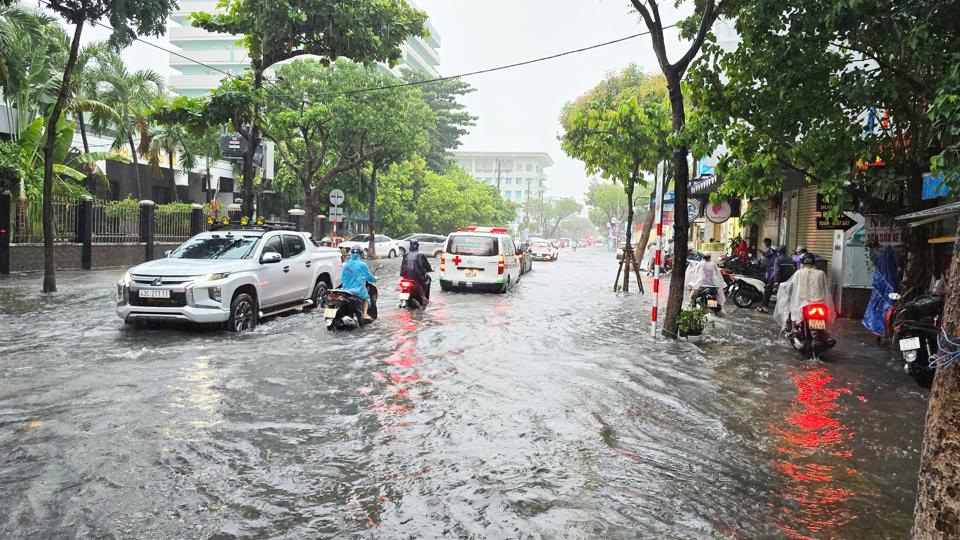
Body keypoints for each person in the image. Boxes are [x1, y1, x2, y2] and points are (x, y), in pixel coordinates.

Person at [774, 252, 834, 331]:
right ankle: (825, 333)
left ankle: (794, 331)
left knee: (794, 312)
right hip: (820, 303)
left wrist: (781, 286)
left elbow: (790, 284)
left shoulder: (799, 273)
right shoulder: (821, 273)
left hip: (803, 303)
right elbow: (826, 288)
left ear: (802, 263)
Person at [342, 246, 378, 321]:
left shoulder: (346, 264)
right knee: (366, 298)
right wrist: (374, 279)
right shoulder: (362, 265)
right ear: (361, 254)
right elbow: (368, 276)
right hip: (357, 290)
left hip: (345, 290)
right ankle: (364, 314)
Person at [757, 245, 794, 313]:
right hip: (788, 279)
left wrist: (776, 281)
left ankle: (764, 307)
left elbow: (777, 270)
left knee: (768, 290)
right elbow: (793, 269)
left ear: (778, 252)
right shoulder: (790, 258)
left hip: (778, 277)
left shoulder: (778, 259)